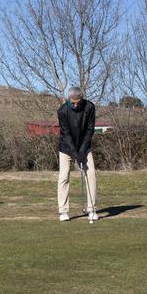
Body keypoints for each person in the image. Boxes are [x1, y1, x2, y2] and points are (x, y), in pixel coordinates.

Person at [57, 86, 97, 222]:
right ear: (68, 99)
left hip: (85, 146)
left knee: (90, 175)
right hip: (66, 147)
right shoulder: (62, 111)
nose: (75, 105)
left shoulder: (89, 107)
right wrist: (75, 152)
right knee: (64, 176)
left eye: (77, 102)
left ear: (82, 98)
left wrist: (82, 149)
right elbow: (66, 134)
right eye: (72, 102)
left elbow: (90, 130)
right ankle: (63, 211)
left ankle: (92, 209)